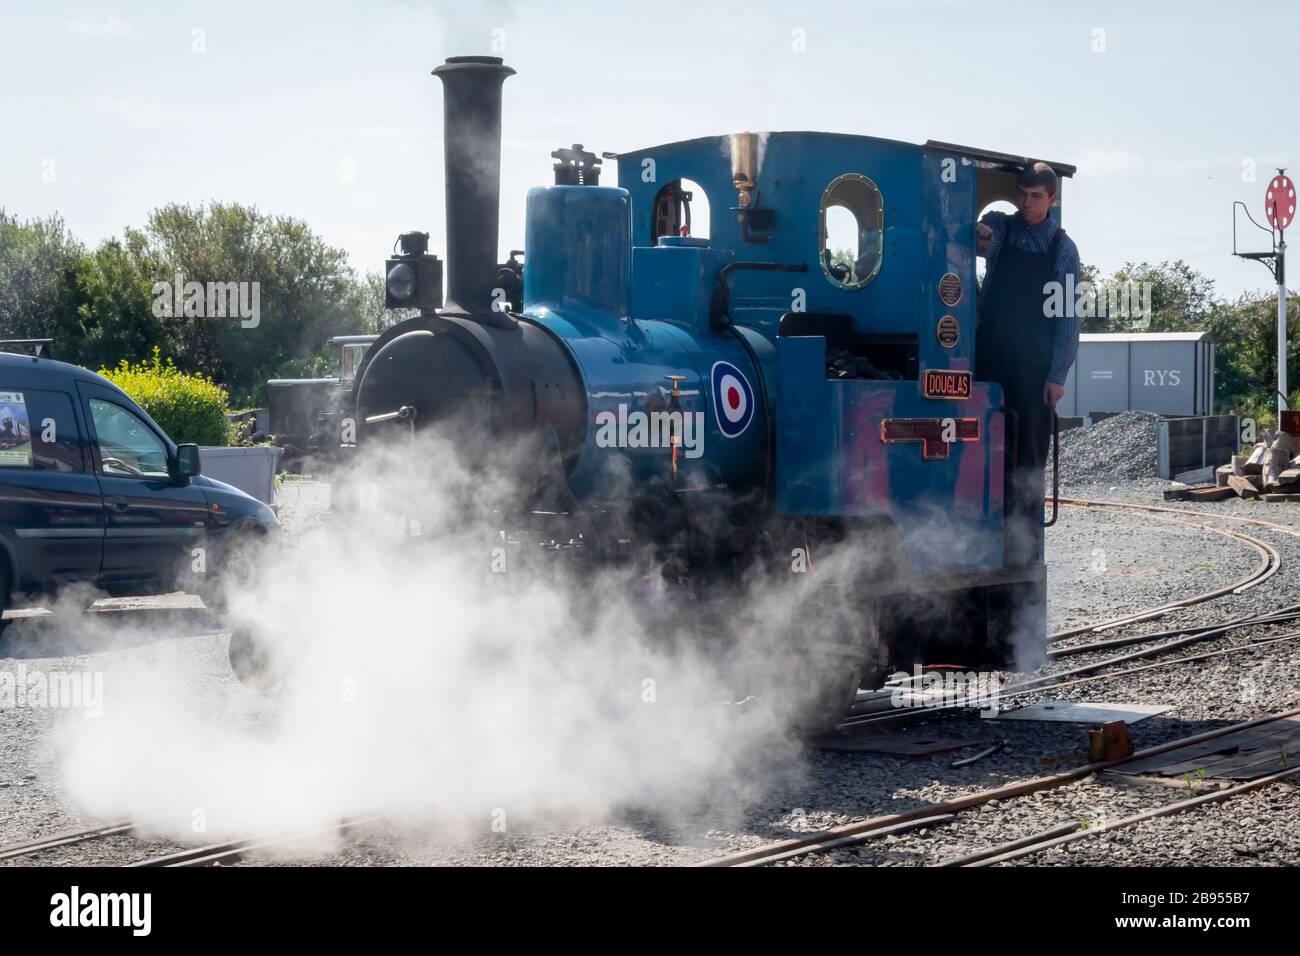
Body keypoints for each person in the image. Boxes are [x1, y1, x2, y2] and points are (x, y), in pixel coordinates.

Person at [975, 161, 1081, 564]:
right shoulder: (1003, 226)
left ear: (1052, 199)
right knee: (987, 446)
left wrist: (1057, 374)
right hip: (991, 356)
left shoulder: (1062, 249)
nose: (1026, 201)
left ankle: (1023, 546)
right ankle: (984, 532)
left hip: (1034, 367)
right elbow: (985, 238)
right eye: (1022, 193)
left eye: (1036, 196)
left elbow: (1069, 317)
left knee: (1029, 456)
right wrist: (979, 233)